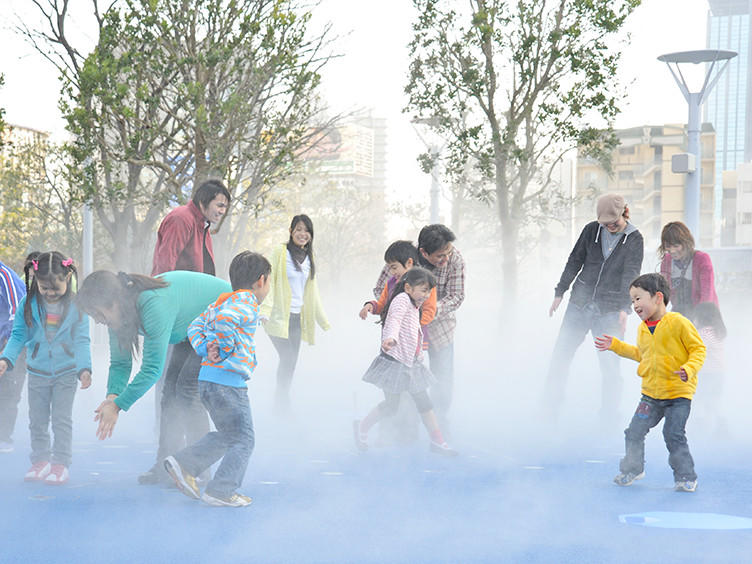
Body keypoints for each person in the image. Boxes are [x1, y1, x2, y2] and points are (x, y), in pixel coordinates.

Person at [75, 269, 231, 484]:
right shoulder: (117, 317)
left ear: (116, 302)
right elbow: (120, 363)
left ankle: (198, 468)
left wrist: (119, 405)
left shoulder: (153, 305)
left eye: (99, 314)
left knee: (186, 391)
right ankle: (166, 466)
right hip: (191, 327)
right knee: (169, 394)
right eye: (94, 317)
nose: (99, 322)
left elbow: (151, 370)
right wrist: (112, 398)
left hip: (223, 319)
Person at [164, 251, 271, 507]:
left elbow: (194, 327)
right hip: (228, 383)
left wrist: (204, 349)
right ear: (261, 281)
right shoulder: (245, 303)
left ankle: (184, 463)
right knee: (244, 438)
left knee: (228, 435)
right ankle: (222, 490)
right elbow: (227, 322)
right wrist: (225, 347)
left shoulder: (222, 302)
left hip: (208, 380)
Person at [595, 273, 706, 492]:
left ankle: (685, 476)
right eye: (632, 300)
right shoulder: (643, 328)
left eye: (638, 298)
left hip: (678, 395)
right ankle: (633, 469)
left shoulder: (678, 322)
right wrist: (616, 345)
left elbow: (698, 349)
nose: (634, 305)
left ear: (657, 297)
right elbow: (642, 355)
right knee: (634, 431)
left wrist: (688, 369)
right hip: (651, 395)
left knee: (673, 434)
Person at [546, 194, 643, 423]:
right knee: (560, 356)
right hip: (579, 303)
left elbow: (631, 274)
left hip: (609, 310)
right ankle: (549, 409)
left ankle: (608, 417)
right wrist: (560, 291)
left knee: (610, 366)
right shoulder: (591, 230)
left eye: (614, 222)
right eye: (605, 223)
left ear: (624, 214)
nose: (610, 226)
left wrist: (624, 308)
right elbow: (574, 260)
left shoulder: (634, 238)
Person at [0, 252, 91, 484]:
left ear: (68, 277)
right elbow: (18, 335)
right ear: (35, 281)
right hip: (38, 372)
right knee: (37, 419)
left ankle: (60, 464)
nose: (49, 293)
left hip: (66, 373)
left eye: (55, 288)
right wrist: (6, 359)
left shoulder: (77, 306)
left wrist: (84, 369)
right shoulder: (28, 304)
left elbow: (82, 339)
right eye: (44, 288)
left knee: (61, 419)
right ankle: (40, 461)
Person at [353, 267, 456, 456]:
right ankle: (363, 427)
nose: (426, 295)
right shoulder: (401, 300)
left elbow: (412, 331)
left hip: (411, 363)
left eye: (429, 291)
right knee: (392, 405)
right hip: (394, 360)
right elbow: (394, 320)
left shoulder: (414, 303)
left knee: (424, 402)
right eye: (424, 290)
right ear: (408, 288)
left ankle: (437, 441)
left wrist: (418, 354)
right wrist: (389, 338)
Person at [374, 225, 465, 427]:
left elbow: (457, 296)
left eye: (448, 252)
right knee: (405, 381)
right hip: (405, 336)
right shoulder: (402, 256)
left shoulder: (455, 259)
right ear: (423, 253)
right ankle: (404, 427)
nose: (446, 259)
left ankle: (438, 428)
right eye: (440, 256)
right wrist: (403, 309)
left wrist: (425, 309)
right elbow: (381, 289)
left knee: (442, 380)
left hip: (441, 330)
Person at [260, 214, 330, 411]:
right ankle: (281, 403)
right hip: (278, 318)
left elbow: (312, 291)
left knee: (291, 363)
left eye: (306, 230)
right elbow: (269, 282)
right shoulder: (279, 252)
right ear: (291, 231)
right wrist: (264, 310)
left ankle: (282, 401)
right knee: (288, 358)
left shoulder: (309, 258)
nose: (302, 234)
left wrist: (322, 320)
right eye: (298, 229)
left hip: (298, 319)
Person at [151, 179, 231, 276]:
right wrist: (165, 290)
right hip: (175, 289)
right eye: (219, 206)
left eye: (225, 207)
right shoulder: (181, 218)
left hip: (191, 289)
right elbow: (165, 263)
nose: (222, 211)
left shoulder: (203, 225)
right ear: (202, 202)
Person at [359, 240, 437, 333]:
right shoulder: (391, 283)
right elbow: (382, 305)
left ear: (409, 263)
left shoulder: (425, 282)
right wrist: (370, 306)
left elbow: (429, 312)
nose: (392, 272)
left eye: (394, 267)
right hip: (392, 336)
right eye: (390, 268)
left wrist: (407, 323)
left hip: (414, 337)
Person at [659, 221, 719, 319]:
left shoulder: (702, 259)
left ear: (685, 242)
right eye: (668, 246)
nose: (672, 250)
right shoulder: (667, 261)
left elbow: (707, 294)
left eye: (676, 246)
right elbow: (664, 292)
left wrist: (700, 319)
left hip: (705, 313)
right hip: (680, 313)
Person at [0, 259, 27, 453]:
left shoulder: (5, 276)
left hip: (11, 342)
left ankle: (3, 437)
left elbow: (16, 313)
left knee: (8, 390)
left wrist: (7, 349)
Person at [693, 301, 727, 434]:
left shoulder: (703, 333)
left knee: (699, 399)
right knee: (712, 401)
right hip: (719, 373)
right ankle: (720, 426)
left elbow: (694, 349)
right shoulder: (717, 332)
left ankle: (700, 427)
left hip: (706, 374)